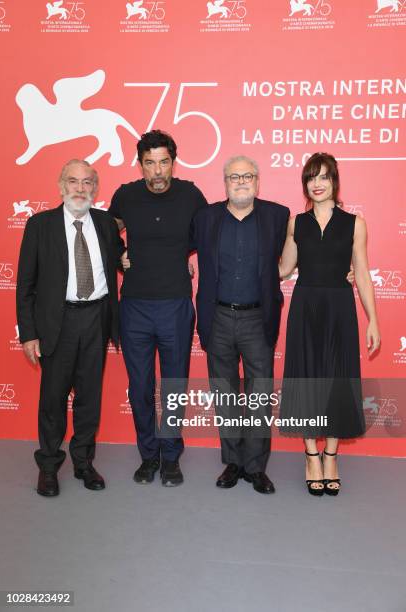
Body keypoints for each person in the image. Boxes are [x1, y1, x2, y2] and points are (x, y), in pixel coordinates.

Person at [16, 159, 124, 497]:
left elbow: (123, 259)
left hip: (96, 319)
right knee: (52, 399)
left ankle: (83, 463)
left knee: (89, 398)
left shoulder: (106, 224)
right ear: (61, 185)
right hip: (56, 323)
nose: (81, 188)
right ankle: (48, 467)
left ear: (96, 187)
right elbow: (25, 286)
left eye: (88, 182)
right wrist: (30, 332)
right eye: (74, 181)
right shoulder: (40, 225)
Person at [109, 130, 207, 487]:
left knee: (174, 385)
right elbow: (106, 231)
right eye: (149, 163)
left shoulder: (191, 195)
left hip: (176, 304)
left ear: (173, 162)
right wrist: (118, 258)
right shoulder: (126, 196)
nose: (157, 171)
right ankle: (148, 455)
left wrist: (187, 258)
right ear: (140, 165)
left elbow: (206, 233)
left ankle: (170, 455)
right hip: (134, 305)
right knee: (139, 388)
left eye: (163, 162)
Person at [279, 152, 380, 496]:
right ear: (305, 184)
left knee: (337, 378)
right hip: (305, 306)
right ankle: (311, 456)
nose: (317, 184)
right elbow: (283, 268)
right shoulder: (297, 222)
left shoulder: (355, 223)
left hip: (339, 306)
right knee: (307, 377)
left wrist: (373, 321)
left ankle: (331, 456)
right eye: (311, 178)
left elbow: (363, 274)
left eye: (324, 177)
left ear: (335, 181)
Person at [191, 156, 290, 494]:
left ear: (258, 180)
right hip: (217, 316)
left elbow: (306, 249)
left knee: (260, 393)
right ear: (225, 182)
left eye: (248, 175)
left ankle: (255, 467)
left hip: (257, 317)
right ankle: (233, 462)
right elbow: (173, 247)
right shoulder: (205, 218)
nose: (241, 181)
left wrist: (343, 271)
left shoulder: (278, 216)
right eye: (234, 176)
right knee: (225, 392)